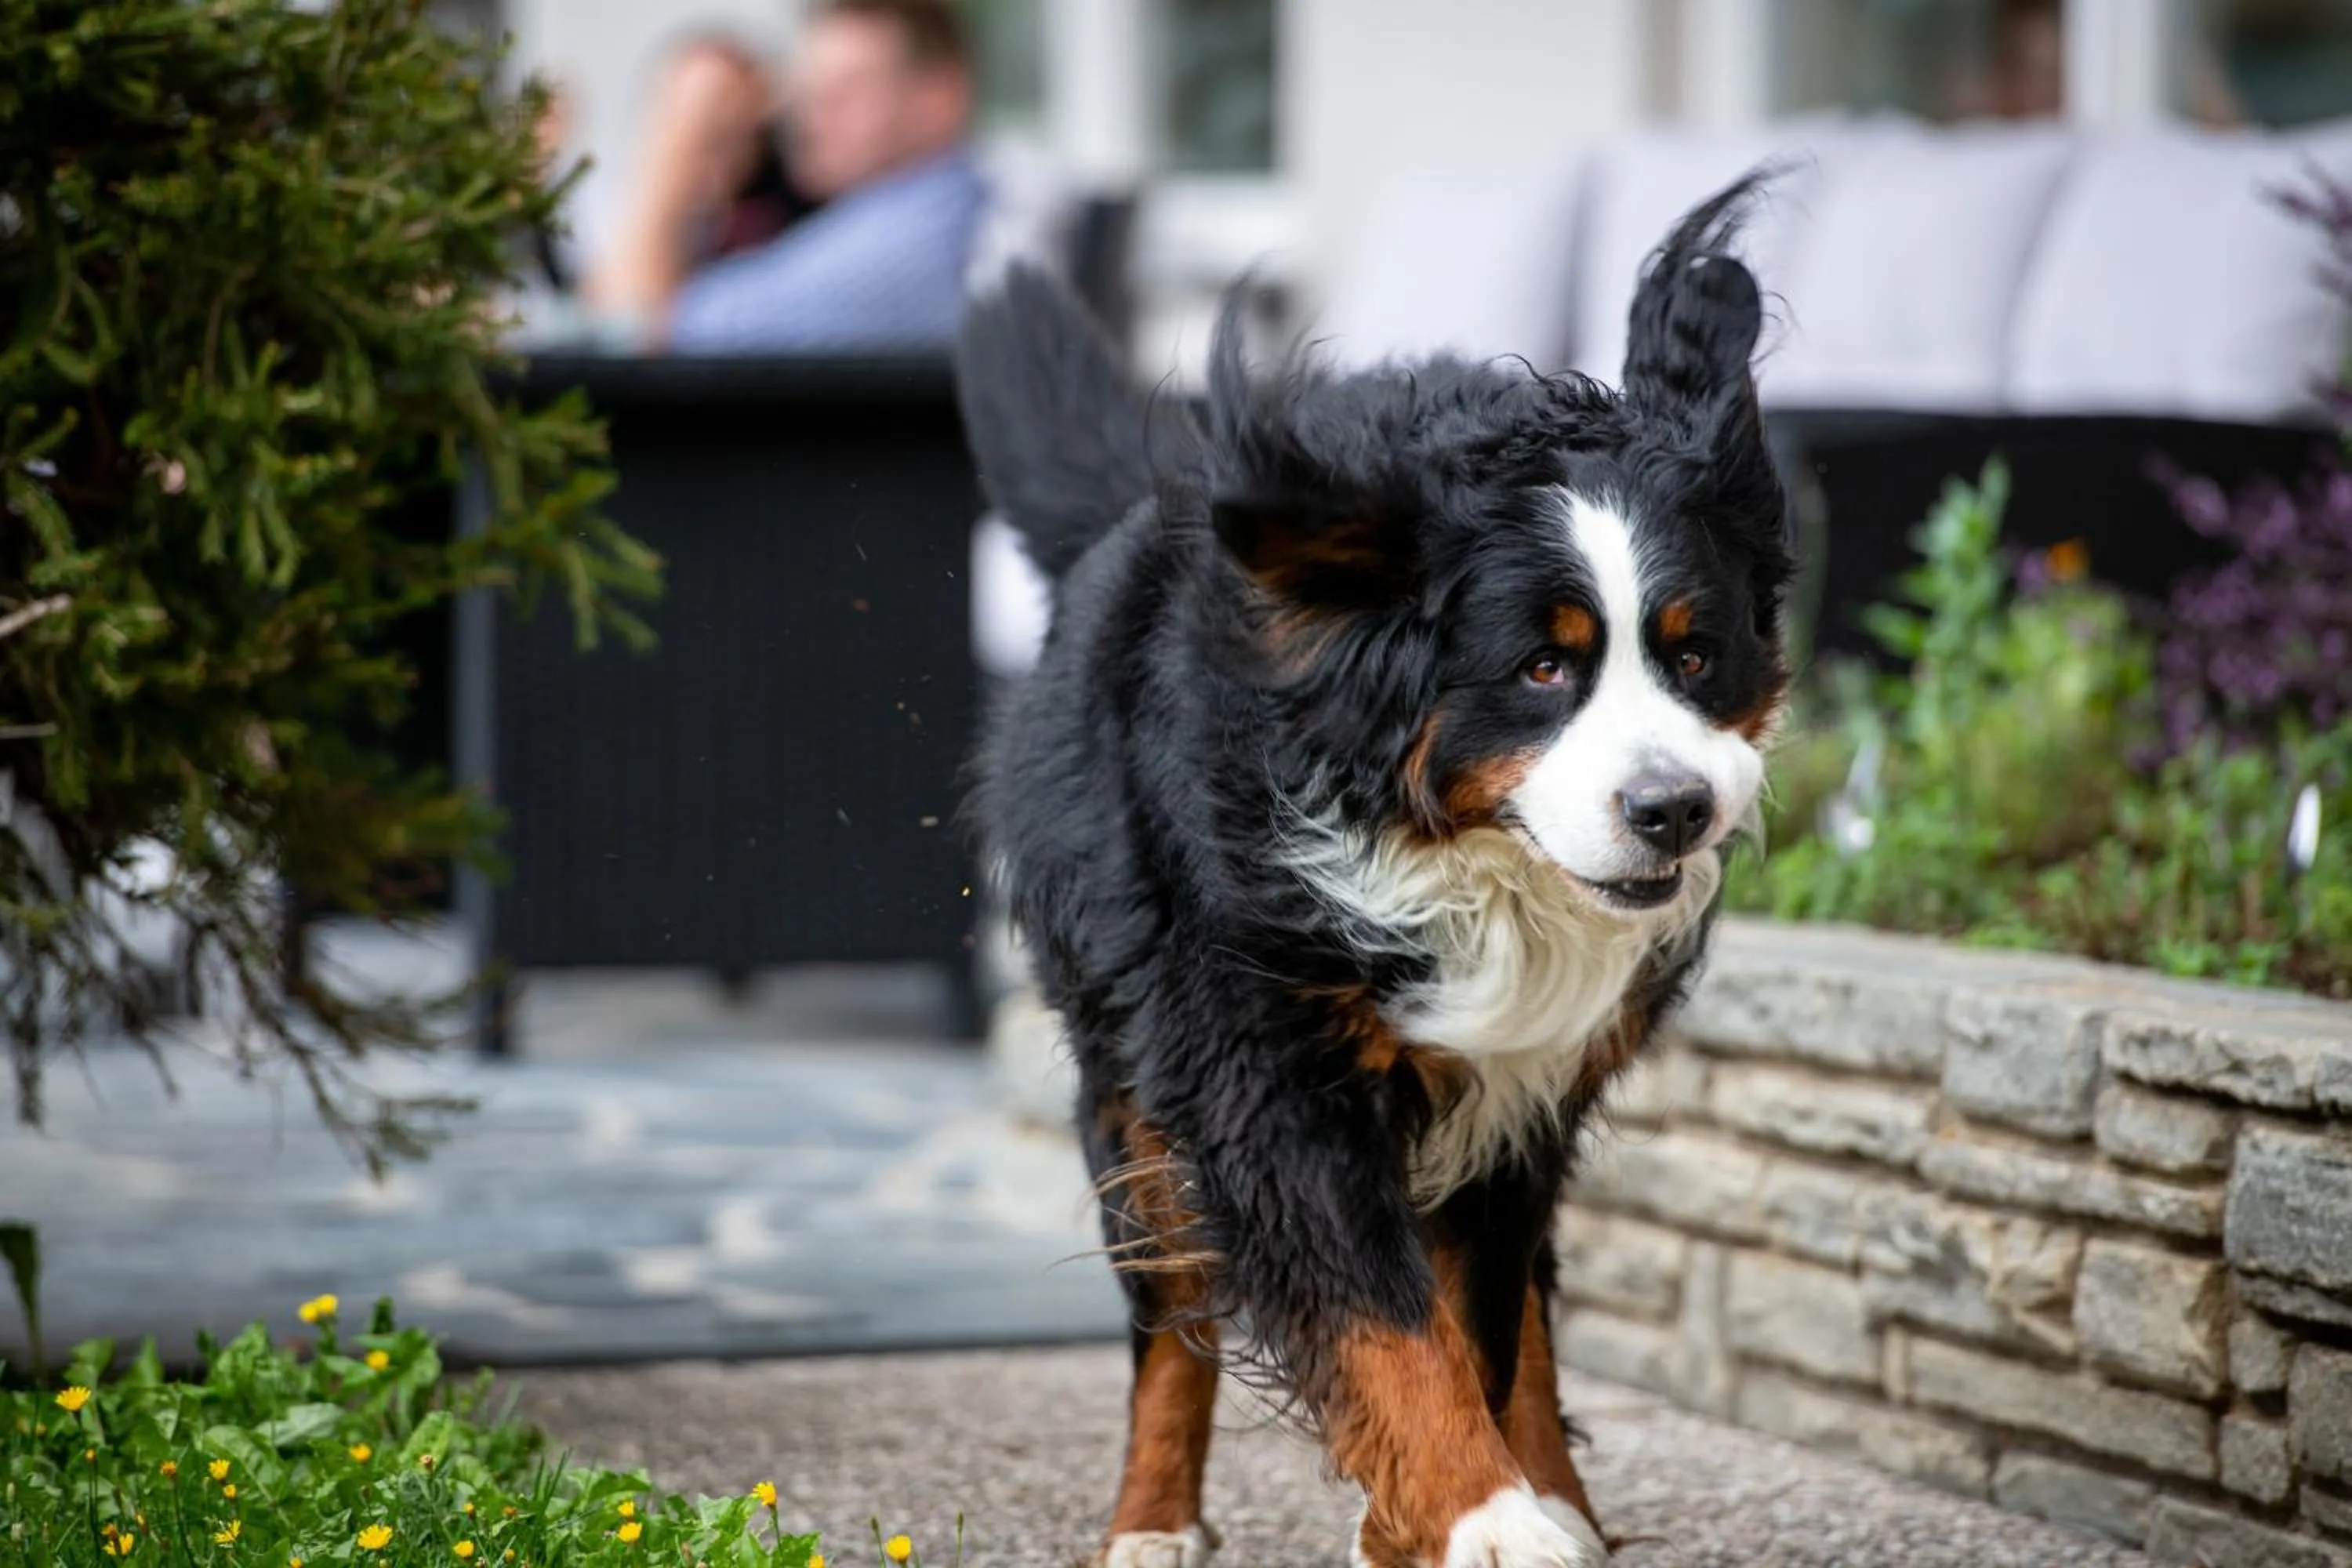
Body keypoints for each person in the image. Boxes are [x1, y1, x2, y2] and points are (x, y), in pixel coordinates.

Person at [586, 0, 985, 354]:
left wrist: (680, 135)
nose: (812, 119)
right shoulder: (917, 217)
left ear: (940, 99)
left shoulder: (909, 244)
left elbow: (631, 332)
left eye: (848, 90)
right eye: (808, 91)